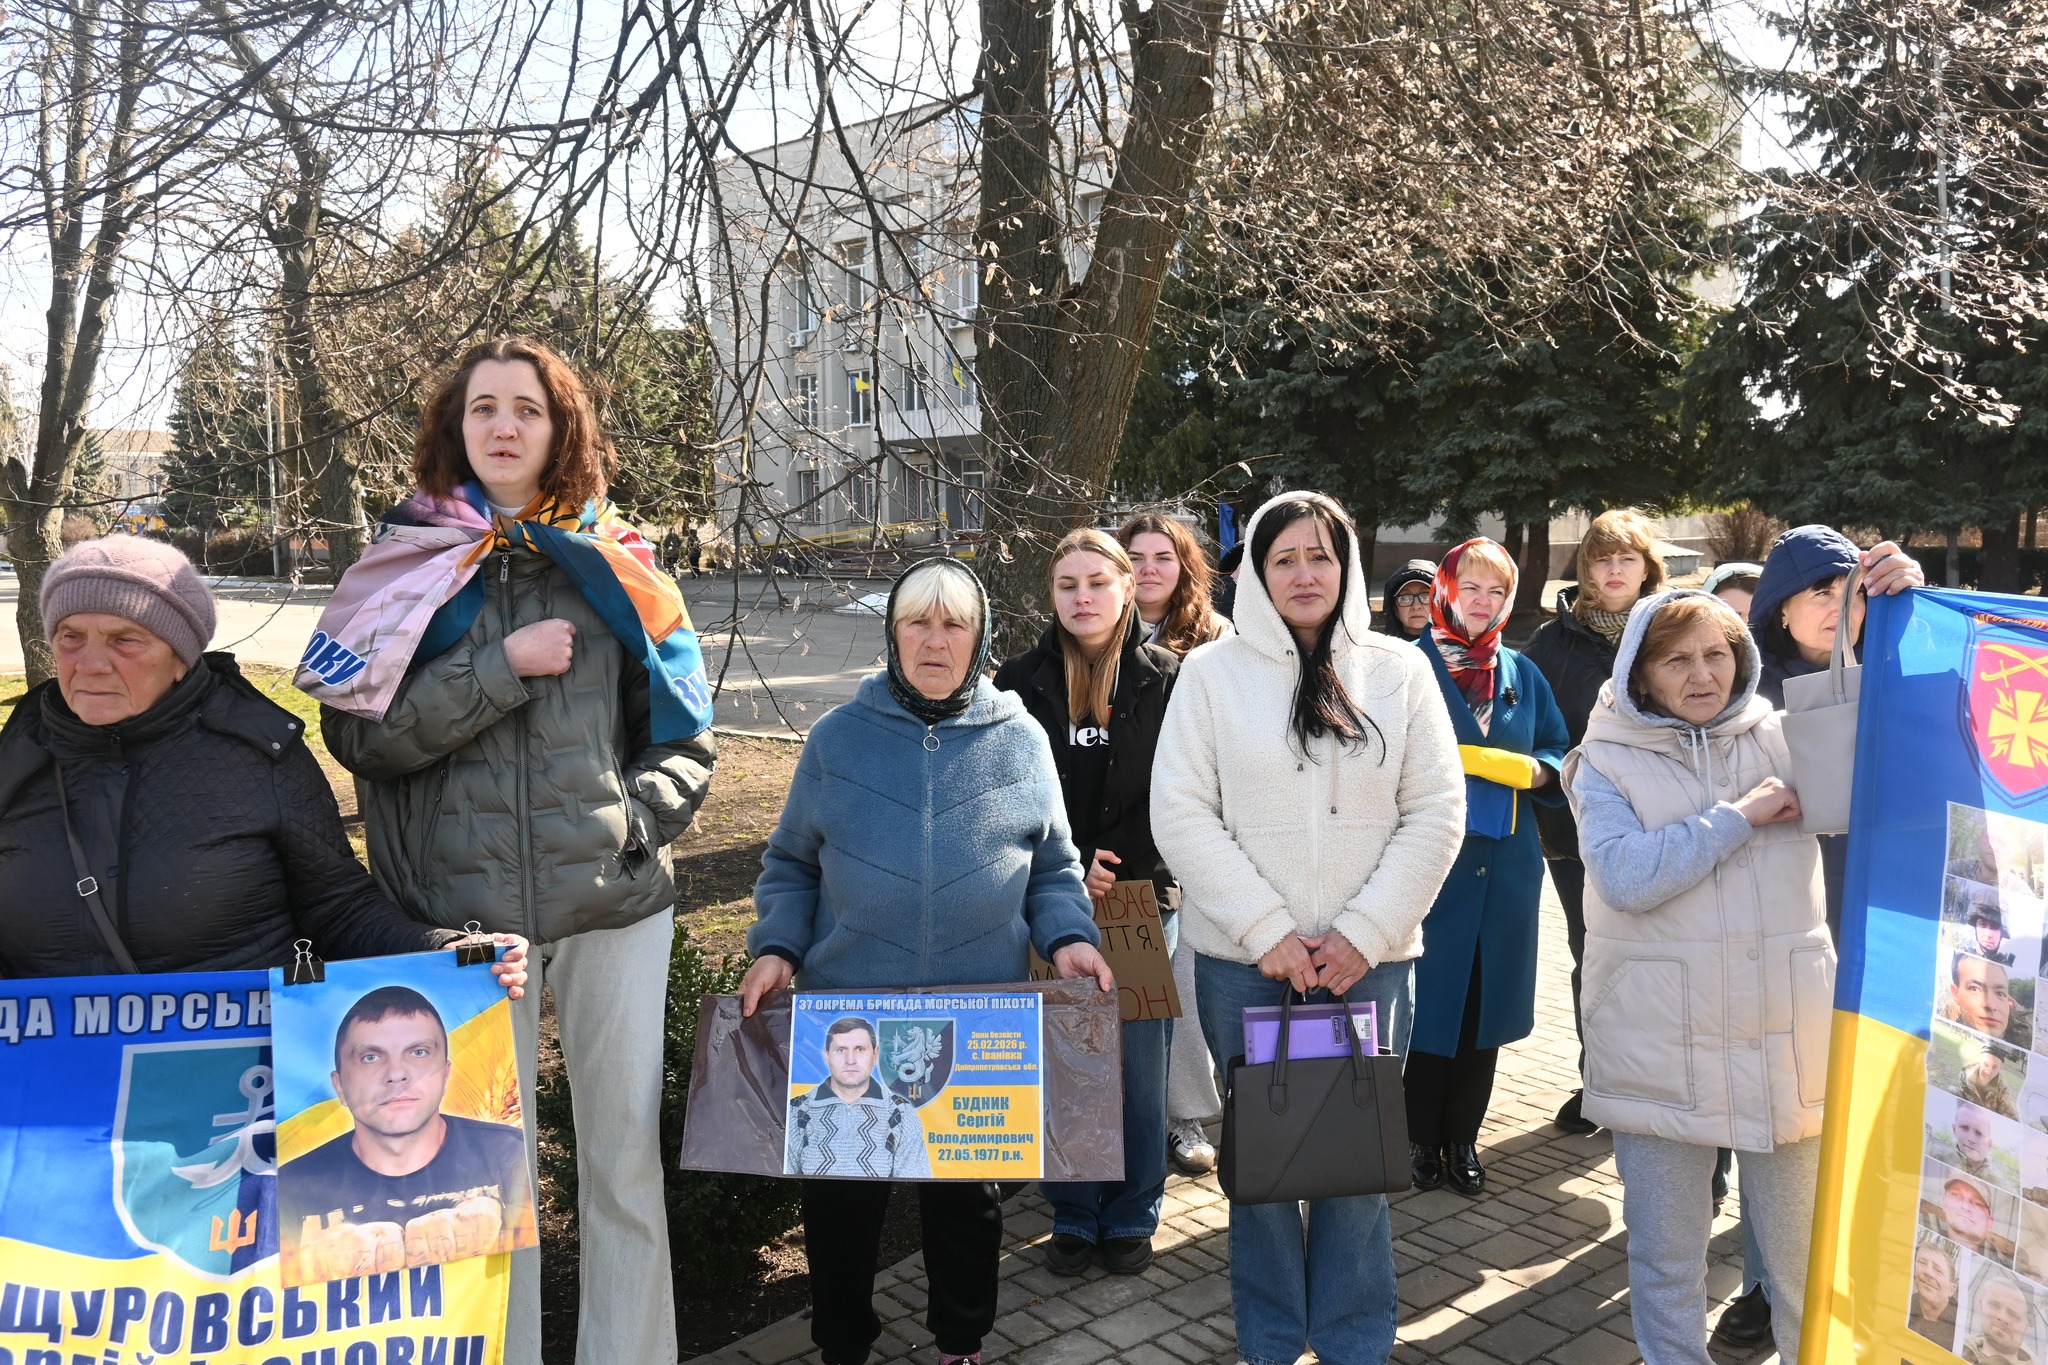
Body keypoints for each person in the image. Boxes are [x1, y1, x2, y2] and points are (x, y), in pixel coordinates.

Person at [320, 337, 715, 1365]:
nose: (503, 426)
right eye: (483, 407)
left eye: (526, 410)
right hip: (456, 921)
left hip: (613, 902)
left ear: (560, 429)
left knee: (622, 1160)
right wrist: (495, 666)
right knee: (480, 1174)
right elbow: (359, 738)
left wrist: (640, 820)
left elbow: (682, 737)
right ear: (455, 428)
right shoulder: (398, 565)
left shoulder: (619, 565)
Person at [739, 556, 1110, 1365]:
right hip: (851, 1011)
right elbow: (793, 863)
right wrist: (775, 946)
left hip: (978, 1018)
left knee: (966, 1202)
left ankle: (961, 1343)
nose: (934, 640)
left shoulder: (1020, 741)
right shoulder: (838, 739)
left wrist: (1070, 934)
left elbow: (1052, 867)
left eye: (953, 624)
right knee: (841, 1203)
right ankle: (842, 1342)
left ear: (978, 637)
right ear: (892, 633)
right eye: (917, 622)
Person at [1153, 491, 1465, 1365]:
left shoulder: (1400, 671)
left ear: (1347, 565)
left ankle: (1354, 1334)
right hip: (1243, 966)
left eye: (1319, 556)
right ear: (1255, 569)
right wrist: (1267, 930)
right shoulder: (1210, 675)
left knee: (1354, 1165)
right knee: (1259, 1166)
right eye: (1283, 557)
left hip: (1373, 965)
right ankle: (1272, 1332)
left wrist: (1363, 930)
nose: (1303, 574)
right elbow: (1181, 812)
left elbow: (1437, 812)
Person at [0, 535, 529, 990]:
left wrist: (449, 949)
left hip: (235, 1079)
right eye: (71, 637)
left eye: (125, 640)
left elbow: (336, 907)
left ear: (180, 658)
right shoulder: (15, 756)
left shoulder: (259, 753)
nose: (90, 663)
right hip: (48, 1085)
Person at [1562, 589, 1832, 1364]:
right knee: (1667, 1260)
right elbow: (1625, 875)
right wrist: (1738, 816)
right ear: (1641, 674)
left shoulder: (1784, 738)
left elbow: (1866, 753)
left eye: (1716, 653)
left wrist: (1878, 607)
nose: (1702, 673)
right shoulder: (1605, 756)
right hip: (1660, 1038)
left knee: (1802, 1262)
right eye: (1676, 659)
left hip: (1782, 1030)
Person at [994, 528, 1180, 1274]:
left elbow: (1185, 789)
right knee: (1065, 1056)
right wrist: (1067, 863)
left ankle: (1133, 1209)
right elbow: (1007, 789)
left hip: (1138, 894)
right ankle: (1072, 1207)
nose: (1082, 597)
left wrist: (1115, 861)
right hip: (1048, 895)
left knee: (1137, 1066)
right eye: (1067, 584)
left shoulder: (1168, 679)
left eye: (1097, 583)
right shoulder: (1018, 679)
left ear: (1127, 587)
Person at [1406, 539, 1569, 1197]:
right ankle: (1418, 1138)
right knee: (1426, 1007)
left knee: (1482, 1009)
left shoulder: (1521, 673)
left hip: (1504, 870)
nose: (1483, 601)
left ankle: (1463, 1139)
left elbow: (1558, 743)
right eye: (1471, 587)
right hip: (1427, 871)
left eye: (1497, 592)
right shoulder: (1405, 667)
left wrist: (1539, 769)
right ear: (1446, 590)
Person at [1523, 509, 1667, 1138]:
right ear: (1584, 569)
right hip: (1576, 829)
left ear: (1647, 568)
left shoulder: (1671, 626)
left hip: (1665, 820)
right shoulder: (1552, 642)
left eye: (1626, 559)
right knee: (1595, 956)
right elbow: (1531, 725)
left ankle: (1659, 1085)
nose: (1613, 570)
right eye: (1601, 559)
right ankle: (1599, 1082)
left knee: (1665, 956)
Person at [1117, 513, 1233, 1179]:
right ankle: (1122, 1117)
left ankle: (1183, 1113)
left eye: (1164, 555)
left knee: (1183, 984)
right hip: (1128, 836)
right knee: (1137, 988)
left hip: (1199, 832)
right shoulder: (1101, 629)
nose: (1149, 568)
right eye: (1136, 555)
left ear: (1184, 565)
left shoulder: (1216, 639)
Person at [284, 986, 534, 1278]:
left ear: (446, 1074)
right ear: (339, 1086)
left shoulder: (509, 1155)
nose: (396, 1074)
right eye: (370, 1057)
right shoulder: (288, 1189)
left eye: (418, 1052)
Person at [1749, 525, 1925, 936]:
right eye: (1822, 594)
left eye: (1855, 593)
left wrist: (1916, 607)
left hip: (1881, 898)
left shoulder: (1892, 672)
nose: (1843, 608)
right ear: (1782, 610)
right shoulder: (1740, 691)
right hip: (1781, 910)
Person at [785, 1018, 931, 1178]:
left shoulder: (901, 1114)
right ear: (826, 1055)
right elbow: (785, 1182)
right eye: (841, 1050)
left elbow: (910, 1188)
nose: (850, 1060)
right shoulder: (796, 1110)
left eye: (860, 1049)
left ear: (875, 1055)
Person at [1948, 955, 2036, 1048]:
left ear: (2009, 1002)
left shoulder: (2023, 1032)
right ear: (1956, 993)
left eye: (2000, 994)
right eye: (1975, 989)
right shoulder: (1950, 1013)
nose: (1991, 1005)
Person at [1963, 1269, 2037, 1365]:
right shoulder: (1954, 1344)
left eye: (2013, 1315)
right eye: (1994, 1305)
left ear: (2026, 1329)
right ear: (1982, 1305)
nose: (2002, 1317)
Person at [1934, 1101, 2015, 1185]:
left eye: (1979, 1133)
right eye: (1964, 1128)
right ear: (1954, 1130)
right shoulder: (1936, 1160)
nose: (1970, 1139)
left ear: (1989, 1144)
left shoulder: (2001, 1185)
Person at [1911, 1238, 1962, 1346]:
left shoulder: (1960, 1326)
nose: (1928, 1272)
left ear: (1951, 1289)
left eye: (1938, 1270)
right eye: (1922, 1263)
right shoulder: (1905, 1304)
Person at [1378, 560, 1434, 641]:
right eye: (1405, 598)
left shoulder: (1455, 649)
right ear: (1394, 609)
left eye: (1425, 596)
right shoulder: (1382, 649)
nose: (1416, 606)